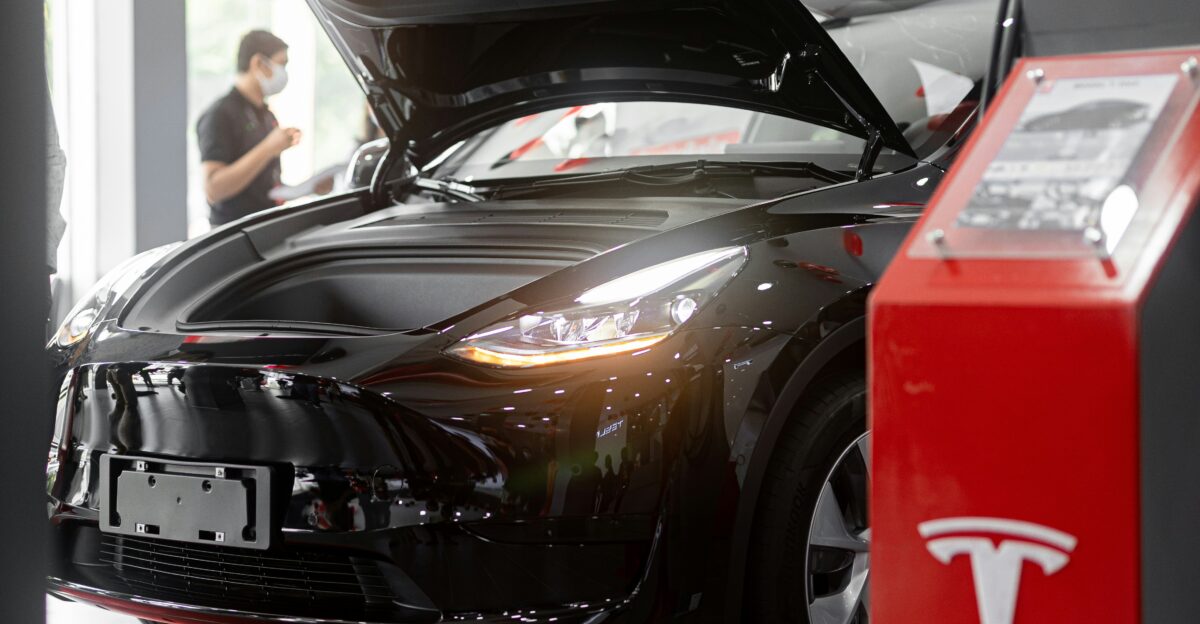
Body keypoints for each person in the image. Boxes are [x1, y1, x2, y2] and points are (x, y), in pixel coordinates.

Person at [197, 30, 317, 227]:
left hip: (266, 226)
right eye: (282, 64)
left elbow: (261, 187)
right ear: (258, 63)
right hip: (233, 235)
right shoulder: (219, 115)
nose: (284, 72)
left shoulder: (266, 114)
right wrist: (268, 148)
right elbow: (213, 189)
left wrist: (306, 189)